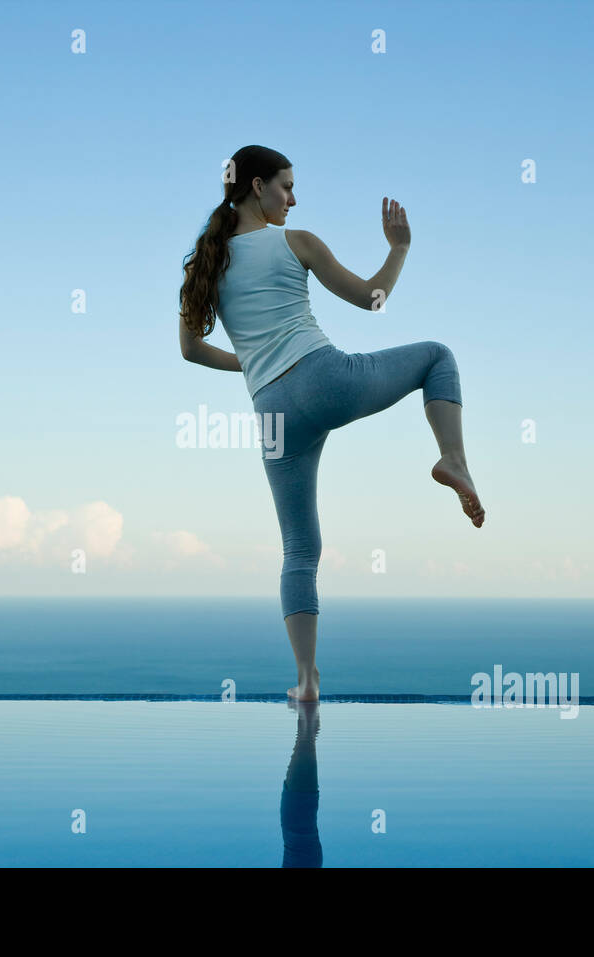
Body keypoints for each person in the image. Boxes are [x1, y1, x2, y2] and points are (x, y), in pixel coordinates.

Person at [178, 145, 484, 702]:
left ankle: (306, 680)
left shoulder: (206, 262)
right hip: (324, 379)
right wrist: (400, 248)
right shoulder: (296, 241)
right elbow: (372, 298)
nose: (292, 199)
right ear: (256, 186)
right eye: (286, 187)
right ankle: (453, 457)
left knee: (299, 551)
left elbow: (191, 350)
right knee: (437, 356)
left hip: (271, 412)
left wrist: (248, 361)